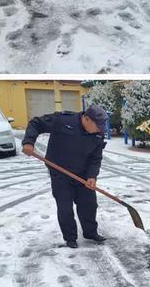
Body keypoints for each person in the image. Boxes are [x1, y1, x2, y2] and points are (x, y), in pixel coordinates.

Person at [22, 105, 108, 249]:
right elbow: (36, 123)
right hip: (60, 173)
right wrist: (28, 142)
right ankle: (70, 238)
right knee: (65, 207)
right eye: (97, 125)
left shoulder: (98, 134)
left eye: (101, 126)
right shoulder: (63, 121)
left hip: (83, 174)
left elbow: (95, 158)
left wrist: (92, 176)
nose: (100, 129)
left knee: (89, 205)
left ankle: (90, 232)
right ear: (86, 119)